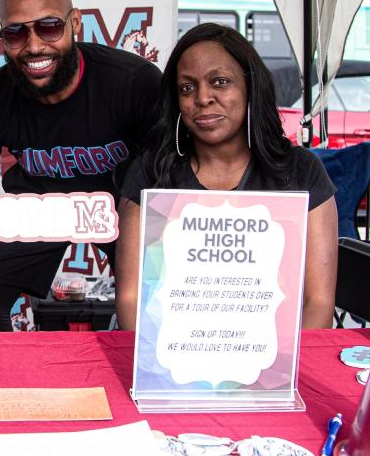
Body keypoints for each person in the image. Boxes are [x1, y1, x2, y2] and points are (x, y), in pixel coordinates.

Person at [0, 0, 162, 331]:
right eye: (16, 32)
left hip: (120, 206)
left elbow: (166, 176)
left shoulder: (133, 83)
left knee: (152, 293)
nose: (34, 46)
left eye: (48, 27)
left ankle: (135, 382)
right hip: (42, 203)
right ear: (2, 37)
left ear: (75, 22)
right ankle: (2, 386)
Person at [114, 23, 337, 331]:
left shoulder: (301, 172)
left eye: (219, 82)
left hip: (276, 369)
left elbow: (319, 303)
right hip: (172, 363)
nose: (203, 98)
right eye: (187, 87)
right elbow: (131, 299)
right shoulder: (151, 175)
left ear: (250, 88)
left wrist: (282, 374)